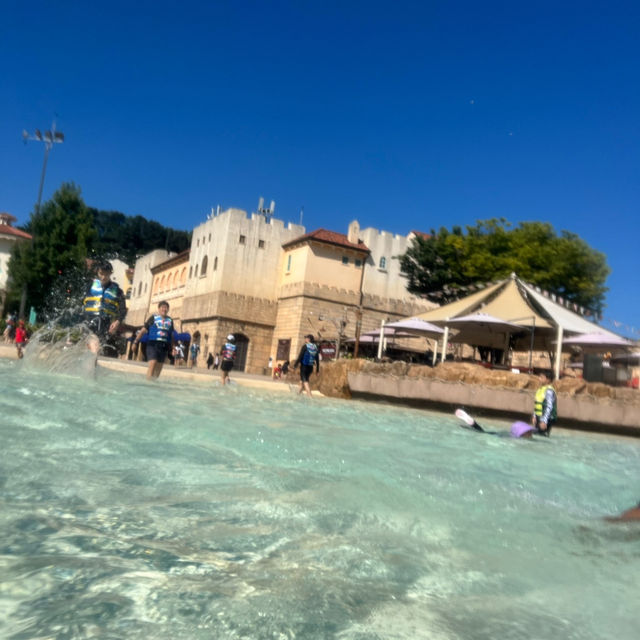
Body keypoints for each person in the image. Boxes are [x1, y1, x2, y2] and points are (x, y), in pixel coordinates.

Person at [83, 261, 127, 356]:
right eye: (101, 274)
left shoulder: (117, 291)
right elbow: (81, 303)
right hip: (89, 321)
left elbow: (123, 310)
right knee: (95, 348)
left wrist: (118, 321)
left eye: (106, 274)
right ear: (97, 272)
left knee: (99, 351)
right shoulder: (89, 285)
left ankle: (91, 369)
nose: (103, 277)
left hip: (105, 324)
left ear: (111, 273)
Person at [134, 301, 175, 380]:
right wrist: (135, 342)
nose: (164, 309)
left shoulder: (170, 321)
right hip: (152, 345)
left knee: (158, 369)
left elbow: (172, 335)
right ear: (159, 309)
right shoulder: (153, 318)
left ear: (168, 309)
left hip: (164, 346)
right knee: (153, 363)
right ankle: (148, 382)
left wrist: (173, 347)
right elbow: (142, 331)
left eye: (166, 307)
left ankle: (153, 383)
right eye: (162, 307)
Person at [532, 371, 557, 436]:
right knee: (536, 435)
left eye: (542, 377)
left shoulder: (549, 391)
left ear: (548, 380)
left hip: (546, 418)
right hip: (539, 416)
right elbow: (537, 404)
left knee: (541, 436)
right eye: (539, 377)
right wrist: (534, 416)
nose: (539, 379)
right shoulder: (540, 389)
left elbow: (549, 406)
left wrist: (544, 421)